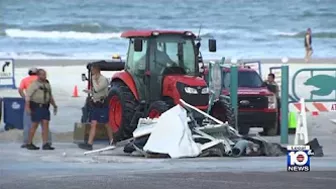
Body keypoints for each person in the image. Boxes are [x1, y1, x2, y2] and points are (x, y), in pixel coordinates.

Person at [78, 64, 113, 150]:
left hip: (102, 105)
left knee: (106, 124)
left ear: (97, 70)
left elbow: (97, 89)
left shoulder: (103, 80)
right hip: (95, 104)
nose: (92, 72)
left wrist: (93, 80)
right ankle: (89, 144)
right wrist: (89, 91)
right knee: (93, 124)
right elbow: (95, 91)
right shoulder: (96, 79)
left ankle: (112, 140)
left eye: (93, 70)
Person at [18, 68, 52, 148]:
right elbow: (49, 95)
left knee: (29, 125)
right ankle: (47, 142)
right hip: (43, 106)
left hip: (33, 104)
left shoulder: (25, 80)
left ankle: (27, 142)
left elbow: (20, 90)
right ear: (37, 74)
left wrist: (25, 98)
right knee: (45, 126)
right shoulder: (42, 82)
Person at [25, 69, 57, 150]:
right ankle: (29, 143)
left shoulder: (47, 84)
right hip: (36, 107)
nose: (44, 76)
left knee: (45, 124)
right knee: (34, 125)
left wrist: (54, 105)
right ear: (38, 75)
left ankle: (45, 143)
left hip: (45, 107)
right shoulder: (34, 85)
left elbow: (50, 96)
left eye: (45, 75)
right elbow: (28, 96)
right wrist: (27, 107)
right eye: (42, 75)